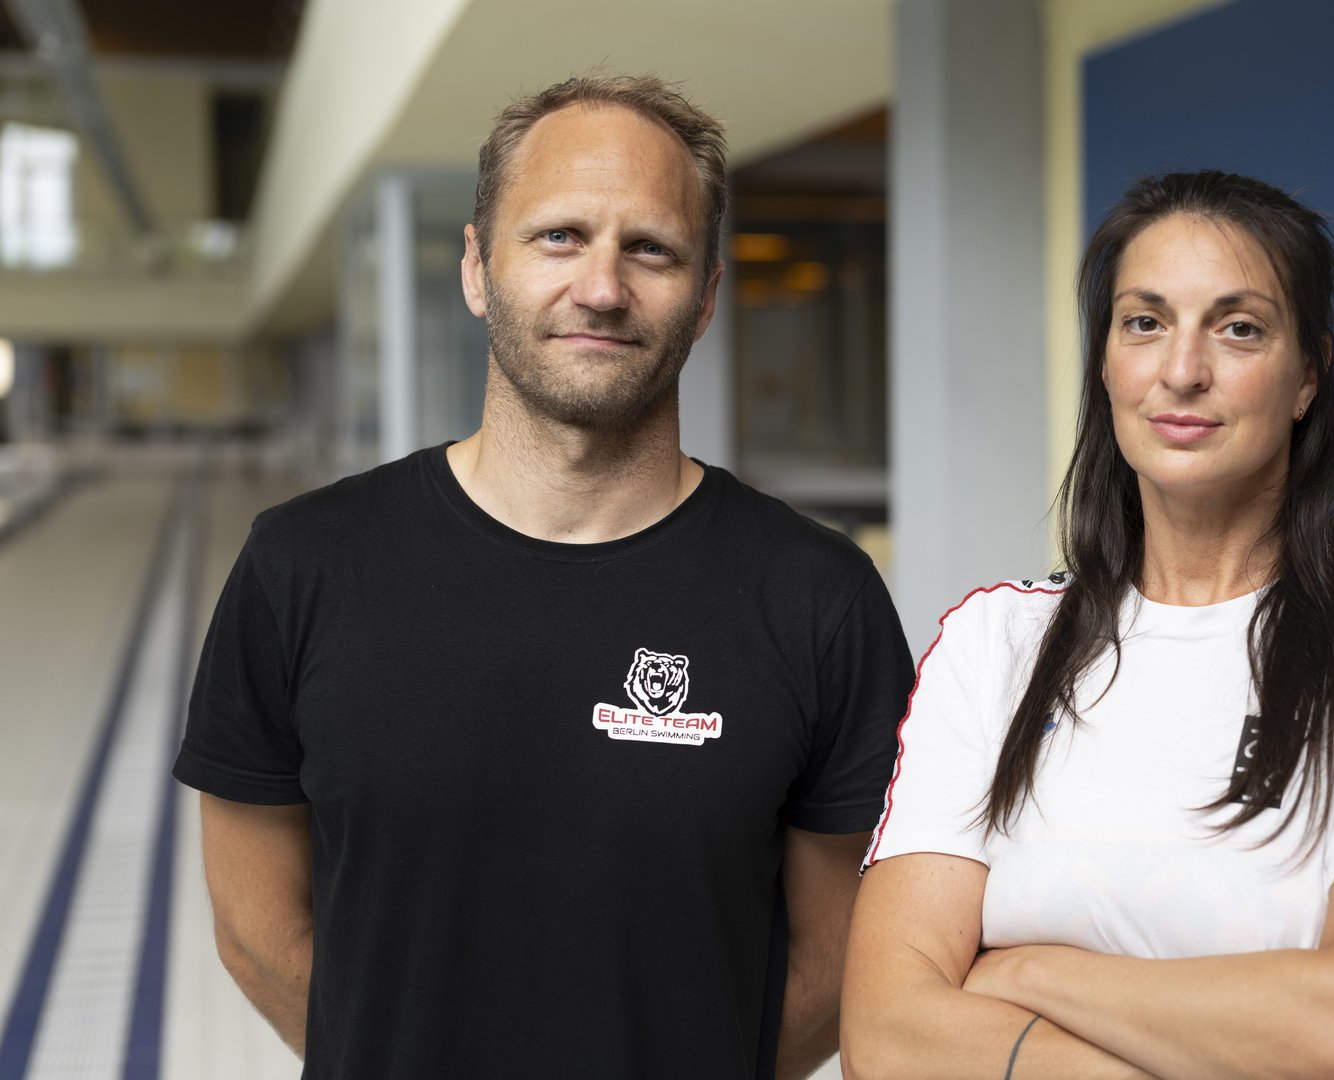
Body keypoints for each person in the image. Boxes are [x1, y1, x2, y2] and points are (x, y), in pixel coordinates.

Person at [174, 74, 914, 1079]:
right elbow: (257, 929)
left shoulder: (817, 599)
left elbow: (836, 962)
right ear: (479, 267)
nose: (602, 287)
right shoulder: (304, 565)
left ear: (704, 299)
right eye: (558, 236)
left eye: (650, 249)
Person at [842, 171, 1334, 1080]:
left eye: (1239, 328)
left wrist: (1029, 971)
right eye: (1144, 322)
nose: (1182, 371)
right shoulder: (995, 639)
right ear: (1108, 361)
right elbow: (887, 1035)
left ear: (1307, 375)